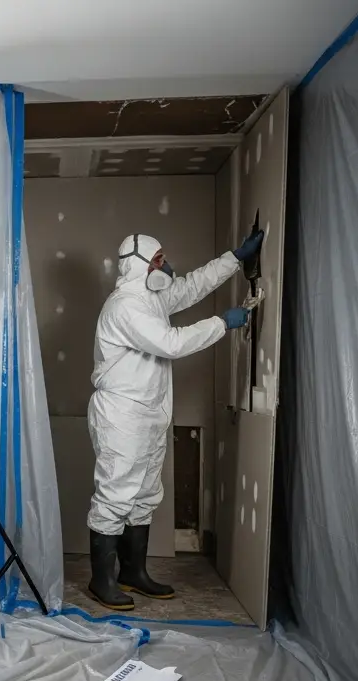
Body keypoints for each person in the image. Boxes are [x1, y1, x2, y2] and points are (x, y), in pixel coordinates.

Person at [86, 229, 264, 610]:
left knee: (145, 496)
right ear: (139, 264)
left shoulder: (150, 299)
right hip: (122, 414)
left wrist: (234, 258)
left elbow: (192, 286)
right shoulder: (125, 306)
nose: (165, 266)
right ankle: (100, 581)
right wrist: (222, 323)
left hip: (148, 411)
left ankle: (132, 574)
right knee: (116, 495)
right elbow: (171, 343)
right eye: (158, 259)